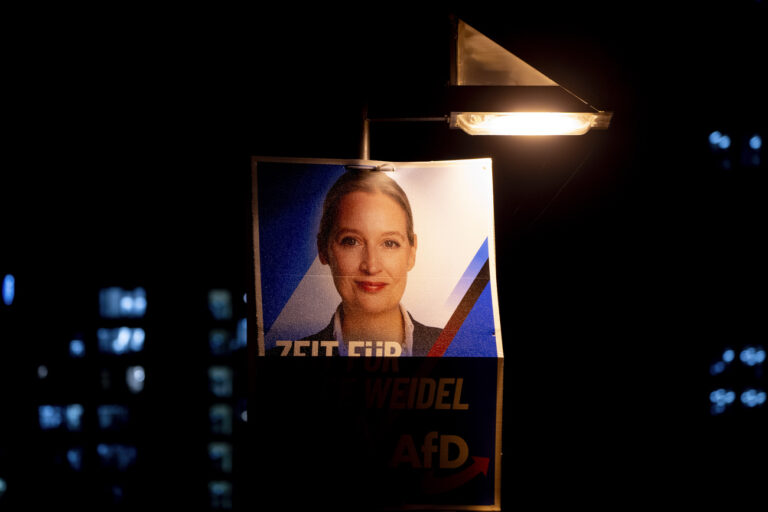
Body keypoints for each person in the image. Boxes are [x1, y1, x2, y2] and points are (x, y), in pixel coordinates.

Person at [302, 168, 442, 356]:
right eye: (351, 241)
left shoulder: (460, 351)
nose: (371, 266)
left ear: (412, 252)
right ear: (323, 249)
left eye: (389, 243)